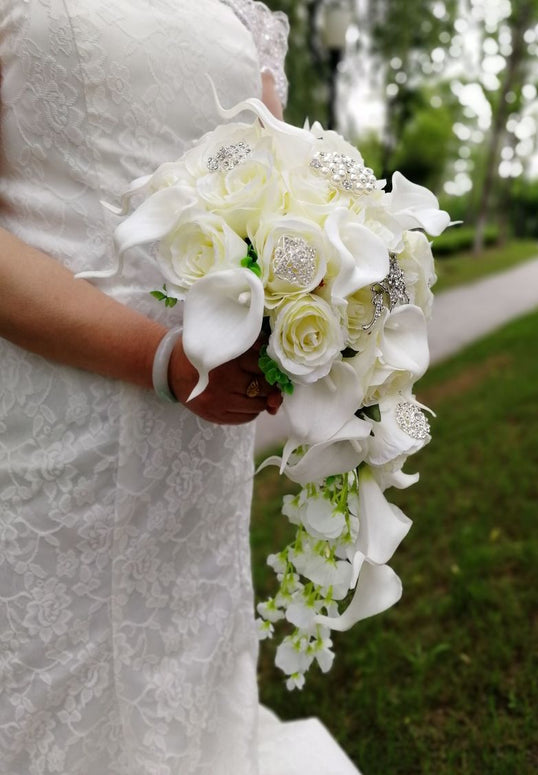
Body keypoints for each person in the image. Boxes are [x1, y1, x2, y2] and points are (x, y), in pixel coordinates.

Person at [0, 1, 361, 772]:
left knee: (184, 675)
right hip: (51, 431)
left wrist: (313, 312)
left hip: (202, 445)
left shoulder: (243, 12)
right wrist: (164, 359)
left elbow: (278, 194)